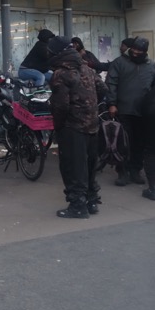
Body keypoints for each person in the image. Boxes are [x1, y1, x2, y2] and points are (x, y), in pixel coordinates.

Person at [47, 36, 108, 219]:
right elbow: (103, 89)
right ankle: (91, 201)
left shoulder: (61, 74)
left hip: (72, 127)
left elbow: (61, 106)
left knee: (73, 167)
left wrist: (58, 126)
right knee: (89, 165)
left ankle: (78, 206)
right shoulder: (86, 69)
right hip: (92, 125)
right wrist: (90, 106)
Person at [105, 36, 155, 186]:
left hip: (144, 111)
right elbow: (111, 83)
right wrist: (112, 103)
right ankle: (122, 172)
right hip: (123, 110)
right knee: (122, 143)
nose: (135, 52)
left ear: (145, 51)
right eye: (134, 49)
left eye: (139, 50)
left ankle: (135, 170)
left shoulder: (152, 66)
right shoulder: (119, 63)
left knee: (140, 143)